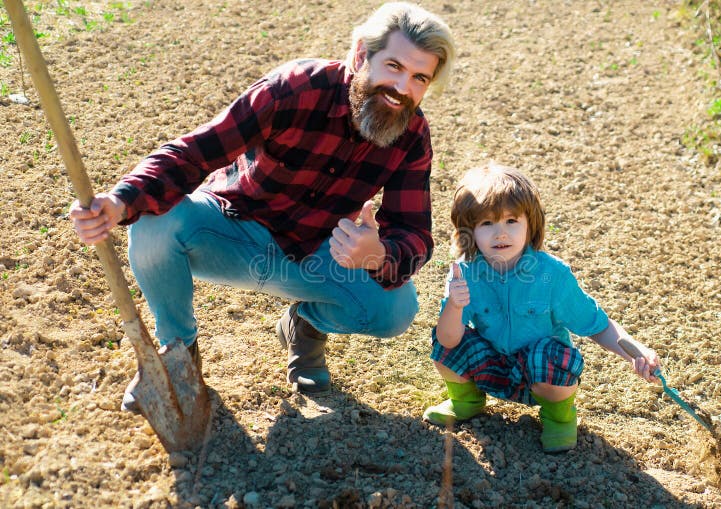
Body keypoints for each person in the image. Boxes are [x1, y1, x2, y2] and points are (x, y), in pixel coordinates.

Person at [68, 2, 455, 407]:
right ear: (361, 54)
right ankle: (178, 357)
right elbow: (195, 153)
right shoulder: (296, 88)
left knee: (396, 308)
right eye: (393, 66)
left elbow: (414, 233)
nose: (402, 88)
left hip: (311, 255)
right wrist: (120, 200)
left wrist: (378, 254)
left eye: (419, 78)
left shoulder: (412, 135)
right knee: (153, 222)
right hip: (229, 231)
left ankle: (304, 327)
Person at [423, 163, 661, 453]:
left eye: (511, 220)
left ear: (530, 224)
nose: (500, 233)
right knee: (444, 336)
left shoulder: (552, 275)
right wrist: (455, 305)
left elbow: (596, 324)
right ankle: (466, 400)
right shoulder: (466, 273)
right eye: (487, 224)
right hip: (492, 367)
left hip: (540, 374)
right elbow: (448, 342)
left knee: (548, 354)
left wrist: (637, 352)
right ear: (469, 232)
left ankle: (559, 418)